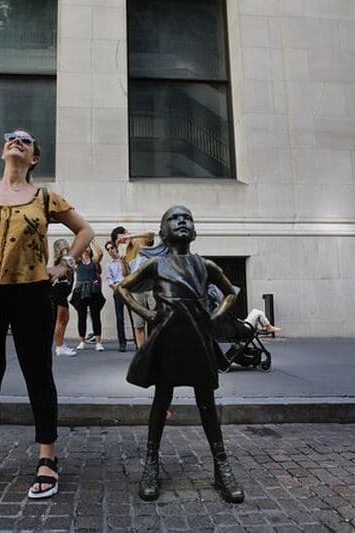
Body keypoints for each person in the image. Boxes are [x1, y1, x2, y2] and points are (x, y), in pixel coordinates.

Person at [0, 129, 93, 499]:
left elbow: (85, 231)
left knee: (38, 374)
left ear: (34, 158)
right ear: (2, 150)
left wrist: (64, 265)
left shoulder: (44, 197)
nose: (17, 142)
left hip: (31, 294)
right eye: (12, 138)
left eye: (26, 141)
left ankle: (47, 458)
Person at [116, 206, 245, 504]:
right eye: (174, 218)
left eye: (187, 217)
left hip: (198, 340)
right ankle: (151, 462)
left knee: (207, 403)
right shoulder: (155, 265)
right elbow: (122, 288)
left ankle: (221, 464)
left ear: (195, 230)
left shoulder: (206, 265)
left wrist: (215, 316)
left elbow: (230, 292)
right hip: (168, 340)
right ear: (163, 232)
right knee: (162, 400)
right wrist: (148, 313)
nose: (182, 221)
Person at [110, 226, 155, 349]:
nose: (122, 242)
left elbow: (151, 233)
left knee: (157, 319)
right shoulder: (123, 252)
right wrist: (122, 261)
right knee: (138, 324)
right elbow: (126, 275)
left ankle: (157, 351)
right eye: (119, 241)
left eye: (122, 239)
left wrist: (130, 236)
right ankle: (141, 352)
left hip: (151, 287)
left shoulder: (140, 241)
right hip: (135, 290)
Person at [71, 241, 105, 351]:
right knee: (82, 316)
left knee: (96, 316)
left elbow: (100, 253)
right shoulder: (78, 262)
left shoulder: (94, 262)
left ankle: (98, 341)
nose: (86, 249)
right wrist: (79, 242)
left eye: (87, 248)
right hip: (81, 291)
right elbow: (71, 255)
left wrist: (92, 242)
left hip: (93, 290)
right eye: (84, 248)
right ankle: (81, 341)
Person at [207, 284, 281, 334]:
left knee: (256, 313)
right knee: (256, 312)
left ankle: (266, 326)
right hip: (243, 328)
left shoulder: (218, 315)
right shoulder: (223, 315)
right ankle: (268, 327)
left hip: (239, 327)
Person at [51, 239, 76, 356]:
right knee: (60, 320)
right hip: (59, 291)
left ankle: (61, 344)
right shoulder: (64, 260)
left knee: (64, 319)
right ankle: (59, 346)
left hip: (62, 292)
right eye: (65, 245)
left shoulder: (63, 260)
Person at [104, 240, 128, 352]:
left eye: (111, 248)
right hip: (118, 290)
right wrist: (116, 288)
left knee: (134, 317)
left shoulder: (124, 259)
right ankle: (122, 343)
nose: (110, 251)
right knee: (119, 317)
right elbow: (109, 280)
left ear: (116, 248)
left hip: (128, 288)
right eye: (108, 249)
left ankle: (139, 341)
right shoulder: (109, 264)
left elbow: (127, 274)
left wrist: (123, 262)